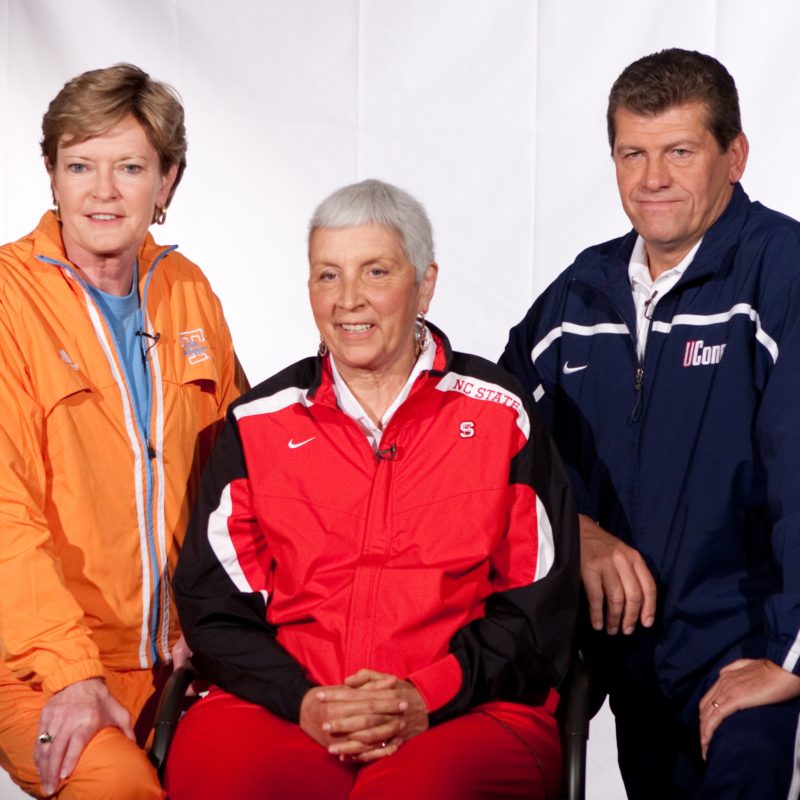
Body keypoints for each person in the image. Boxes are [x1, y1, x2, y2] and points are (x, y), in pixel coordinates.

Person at [165, 179, 579, 800]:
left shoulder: (502, 415)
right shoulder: (258, 424)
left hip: (468, 710)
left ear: (425, 284)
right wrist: (303, 699)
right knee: (222, 780)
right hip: (285, 706)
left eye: (375, 272)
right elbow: (214, 603)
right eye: (327, 276)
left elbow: (537, 610)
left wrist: (423, 695)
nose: (348, 300)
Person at [501, 48, 800, 798]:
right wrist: (577, 531)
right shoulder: (585, 289)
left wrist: (789, 657)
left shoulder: (780, 274)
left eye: (679, 152)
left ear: (734, 155)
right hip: (623, 643)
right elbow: (492, 423)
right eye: (633, 153)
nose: (652, 179)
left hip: (745, 644)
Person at [0, 64, 247, 799]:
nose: (103, 193)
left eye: (130, 167)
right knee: (118, 789)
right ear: (51, 175)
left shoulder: (189, 290)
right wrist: (72, 672)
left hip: (184, 658)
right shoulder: (9, 303)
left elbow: (239, 484)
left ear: (166, 182)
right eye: (80, 166)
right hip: (38, 662)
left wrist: (220, 623)